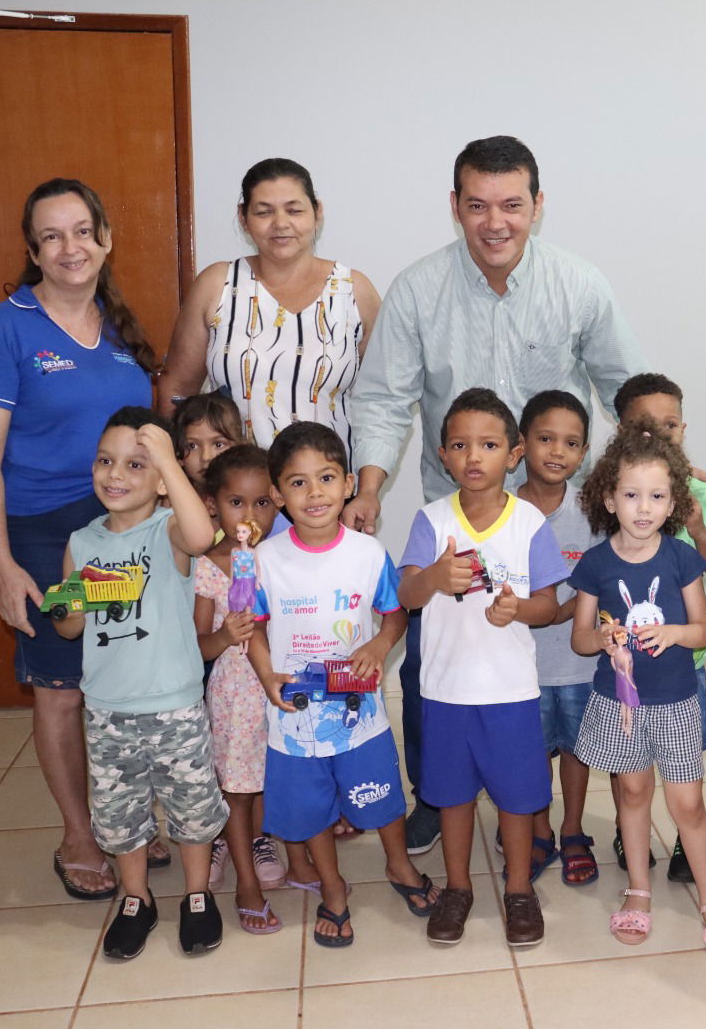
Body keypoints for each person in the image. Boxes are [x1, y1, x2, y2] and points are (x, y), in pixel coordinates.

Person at [349, 136, 646, 856]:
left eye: (512, 205)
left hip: (552, 513)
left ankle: (543, 805)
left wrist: (667, 474)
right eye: (477, 205)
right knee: (432, 661)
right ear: (455, 207)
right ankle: (435, 794)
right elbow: (384, 400)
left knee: (554, 661)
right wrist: (367, 493)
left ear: (537, 207)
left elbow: (624, 390)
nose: (495, 222)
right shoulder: (419, 289)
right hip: (455, 521)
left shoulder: (580, 284)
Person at [0, 178, 160, 902]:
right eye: (51, 236)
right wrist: (3, 565)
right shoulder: (3, 330)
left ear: (104, 238)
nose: (69, 248)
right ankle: (80, 834)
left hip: (124, 538)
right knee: (63, 689)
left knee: (126, 679)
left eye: (82, 231)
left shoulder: (115, 326)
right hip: (49, 543)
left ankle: (126, 822)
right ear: (33, 250)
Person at [247, 422, 438, 948]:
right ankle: (332, 888)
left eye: (326, 478)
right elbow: (255, 631)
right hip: (293, 719)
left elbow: (395, 614)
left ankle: (399, 866)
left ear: (349, 482)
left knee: (382, 798)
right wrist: (266, 675)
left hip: (360, 716)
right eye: (298, 483)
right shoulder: (265, 561)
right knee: (309, 810)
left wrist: (378, 647)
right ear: (277, 493)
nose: (314, 494)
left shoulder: (367, 554)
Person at [54, 408, 228, 960]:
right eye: (105, 461)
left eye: (135, 464)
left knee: (192, 809)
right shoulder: (81, 543)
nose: (115, 475)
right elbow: (67, 622)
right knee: (119, 814)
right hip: (107, 710)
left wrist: (168, 462)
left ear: (161, 478)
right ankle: (136, 898)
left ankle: (196, 895)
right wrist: (74, 598)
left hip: (175, 705)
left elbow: (203, 537)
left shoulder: (169, 531)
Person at [570, 421, 706, 960]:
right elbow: (579, 639)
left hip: (674, 703)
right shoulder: (596, 564)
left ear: (674, 503)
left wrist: (673, 634)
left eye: (656, 496)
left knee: (687, 803)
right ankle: (638, 890)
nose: (643, 508)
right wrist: (601, 637)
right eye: (630, 495)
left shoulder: (680, 557)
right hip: (620, 706)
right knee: (632, 795)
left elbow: (703, 630)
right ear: (609, 498)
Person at [396, 389, 565, 947]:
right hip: (445, 690)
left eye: (488, 445)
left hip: (510, 691)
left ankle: (519, 889)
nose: (474, 456)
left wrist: (519, 608)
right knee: (452, 797)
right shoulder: (431, 520)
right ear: (443, 454)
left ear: (513, 454)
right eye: (461, 445)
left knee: (518, 799)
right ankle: (459, 887)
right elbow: (407, 595)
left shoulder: (530, 524)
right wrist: (435, 577)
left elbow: (548, 604)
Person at [157, 158, 381, 460]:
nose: (280, 223)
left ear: (317, 212)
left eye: (294, 209)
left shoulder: (354, 290)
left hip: (329, 492)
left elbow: (383, 400)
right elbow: (177, 391)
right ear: (243, 217)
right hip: (233, 494)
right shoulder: (216, 285)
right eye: (264, 212)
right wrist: (172, 471)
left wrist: (367, 485)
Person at [613, 373, 706, 882]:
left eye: (669, 425)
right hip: (626, 662)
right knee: (630, 759)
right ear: (621, 430)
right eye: (644, 426)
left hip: (688, 659)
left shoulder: (699, 492)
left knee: (685, 758)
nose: (659, 435)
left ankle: (688, 837)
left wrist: (699, 523)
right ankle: (629, 828)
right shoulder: (612, 487)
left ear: (683, 428)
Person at [515, 390, 604, 886]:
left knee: (576, 750)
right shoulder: (504, 509)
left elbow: (599, 575)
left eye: (571, 443)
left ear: (584, 451)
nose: (556, 451)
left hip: (577, 663)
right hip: (520, 667)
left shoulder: (590, 510)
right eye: (545, 438)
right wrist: (542, 612)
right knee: (530, 755)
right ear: (521, 444)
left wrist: (559, 612)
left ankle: (572, 830)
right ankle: (540, 832)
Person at [193, 445, 282, 932]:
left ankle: (289, 852)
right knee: (239, 788)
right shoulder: (207, 566)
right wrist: (227, 634)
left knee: (281, 775)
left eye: (262, 503)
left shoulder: (281, 558)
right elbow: (198, 649)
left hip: (283, 684)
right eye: (236, 503)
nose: (250, 516)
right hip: (235, 692)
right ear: (213, 504)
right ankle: (246, 880)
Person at [174, 391, 245, 494]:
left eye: (218, 444)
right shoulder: (172, 505)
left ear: (240, 446)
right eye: (192, 446)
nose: (206, 457)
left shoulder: (252, 500)